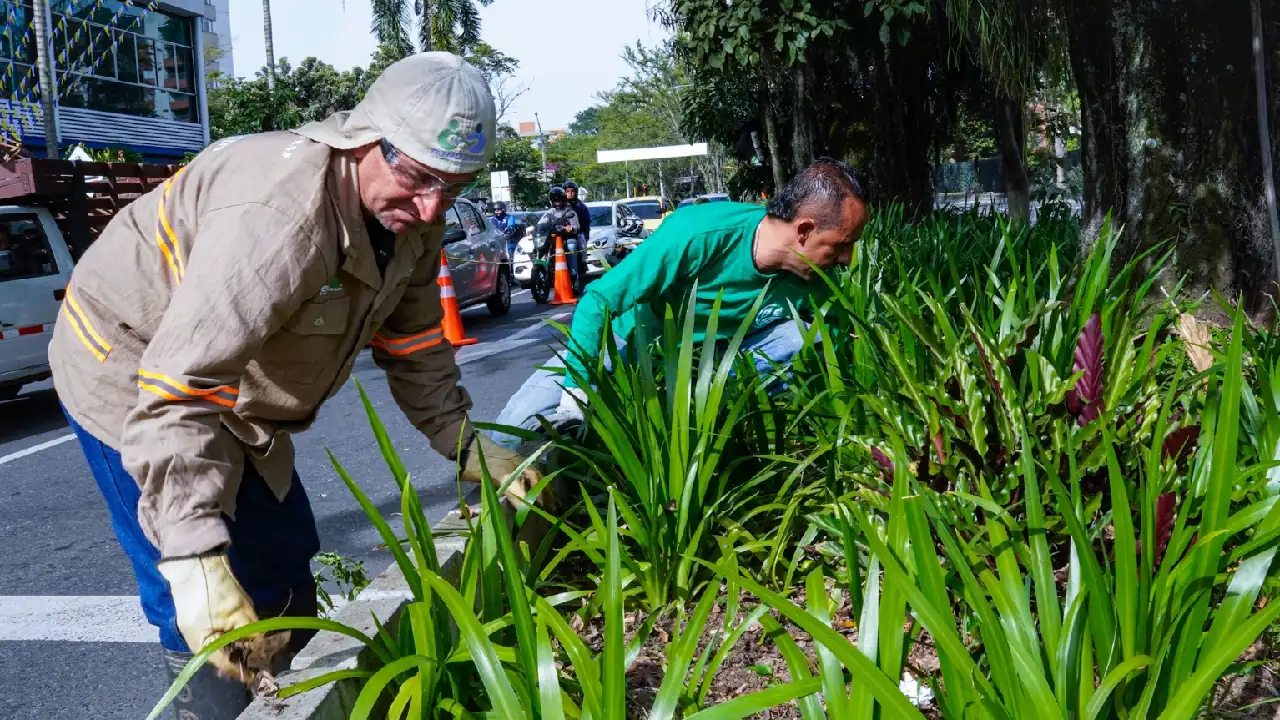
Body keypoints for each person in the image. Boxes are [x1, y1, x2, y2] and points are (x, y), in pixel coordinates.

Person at [48, 52, 542, 718]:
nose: (431, 208)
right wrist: (194, 554)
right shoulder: (279, 218)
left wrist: (464, 443)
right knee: (207, 601)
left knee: (281, 561)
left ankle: (295, 693)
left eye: (453, 188)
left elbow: (416, 344)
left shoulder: (414, 221)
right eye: (420, 177)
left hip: (236, 393)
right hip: (133, 371)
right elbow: (181, 388)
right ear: (367, 140)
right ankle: (217, 701)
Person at [489, 158, 869, 450]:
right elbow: (598, 300)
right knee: (513, 434)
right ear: (803, 231)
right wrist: (576, 394)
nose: (847, 258)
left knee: (809, 336)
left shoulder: (816, 278)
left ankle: (702, 421)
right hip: (633, 345)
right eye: (842, 243)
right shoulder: (700, 234)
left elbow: (843, 336)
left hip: (713, 367)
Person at [534, 186, 582, 286]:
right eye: (554, 199)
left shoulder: (570, 212)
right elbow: (542, 223)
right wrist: (533, 229)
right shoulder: (550, 212)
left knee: (571, 246)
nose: (557, 201)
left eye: (559, 198)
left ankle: (574, 276)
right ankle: (541, 275)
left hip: (567, 237)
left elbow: (576, 227)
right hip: (553, 238)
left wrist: (571, 228)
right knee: (539, 246)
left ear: (563, 198)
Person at [562, 180, 590, 281]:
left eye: (572, 191)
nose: (569, 193)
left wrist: (577, 230)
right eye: (567, 191)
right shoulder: (559, 205)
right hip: (560, 234)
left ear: (576, 192)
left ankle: (581, 265)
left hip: (576, 233)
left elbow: (585, 224)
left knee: (577, 242)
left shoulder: (580, 207)